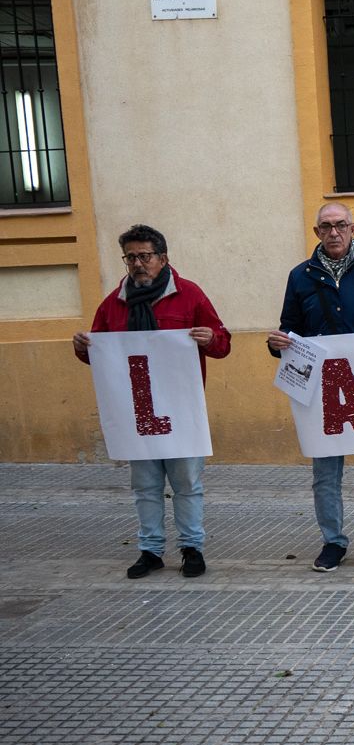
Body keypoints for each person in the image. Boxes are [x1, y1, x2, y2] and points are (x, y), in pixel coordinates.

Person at [73, 224, 231, 580]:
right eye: (131, 257)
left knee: (187, 483)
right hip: (137, 412)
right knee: (144, 485)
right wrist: (83, 348)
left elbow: (222, 343)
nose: (138, 264)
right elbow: (102, 354)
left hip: (180, 409)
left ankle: (192, 548)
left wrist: (210, 338)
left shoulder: (189, 295)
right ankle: (151, 550)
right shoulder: (113, 304)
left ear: (163, 258)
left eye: (145, 256)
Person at [267, 202, 354, 573]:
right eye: (326, 226)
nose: (334, 232)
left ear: (353, 228)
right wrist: (278, 342)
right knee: (325, 475)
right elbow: (290, 327)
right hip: (319, 393)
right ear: (317, 232)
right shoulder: (300, 276)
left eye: (341, 225)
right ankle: (333, 542)